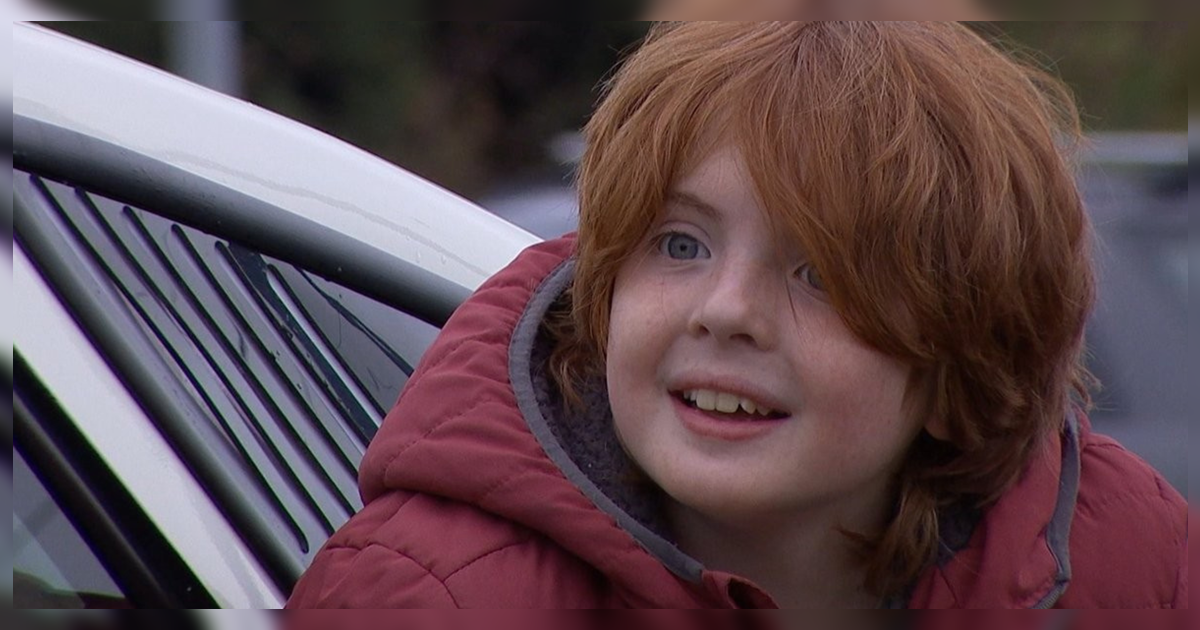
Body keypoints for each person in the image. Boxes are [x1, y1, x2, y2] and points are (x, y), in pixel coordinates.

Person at [286, 22, 1187, 609]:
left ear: (959, 369)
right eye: (680, 244)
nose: (727, 313)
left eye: (820, 274)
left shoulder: (1138, 566)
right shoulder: (424, 598)